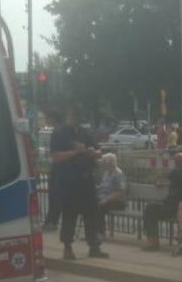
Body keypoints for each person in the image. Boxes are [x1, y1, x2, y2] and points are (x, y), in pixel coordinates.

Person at [51, 105, 107, 260]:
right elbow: (56, 156)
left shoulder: (84, 132)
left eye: (77, 116)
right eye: (73, 116)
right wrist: (76, 152)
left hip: (86, 180)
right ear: (68, 116)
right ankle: (67, 247)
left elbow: (98, 151)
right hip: (69, 182)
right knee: (69, 215)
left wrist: (91, 152)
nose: (75, 119)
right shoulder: (60, 133)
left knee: (91, 214)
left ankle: (93, 246)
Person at [142, 152, 182, 251]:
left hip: (178, 206)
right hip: (169, 203)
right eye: (176, 161)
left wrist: (164, 182)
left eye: (179, 162)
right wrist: (160, 181)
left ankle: (153, 242)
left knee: (151, 209)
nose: (177, 164)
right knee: (150, 207)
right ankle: (152, 240)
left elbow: (175, 182)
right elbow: (165, 179)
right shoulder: (175, 172)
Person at [42, 108, 62, 231]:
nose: (46, 120)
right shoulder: (59, 130)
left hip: (58, 168)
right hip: (58, 167)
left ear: (52, 118)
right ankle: (51, 220)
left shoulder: (58, 131)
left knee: (54, 196)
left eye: (47, 118)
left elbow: (54, 152)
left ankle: (52, 221)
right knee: (54, 196)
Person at [96, 152, 127, 234]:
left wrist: (106, 199)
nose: (104, 165)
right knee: (91, 204)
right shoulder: (106, 173)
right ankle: (92, 232)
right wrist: (97, 188)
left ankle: (100, 233)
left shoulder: (118, 173)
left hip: (117, 201)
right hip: (105, 197)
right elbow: (104, 186)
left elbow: (120, 192)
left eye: (105, 163)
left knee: (99, 207)